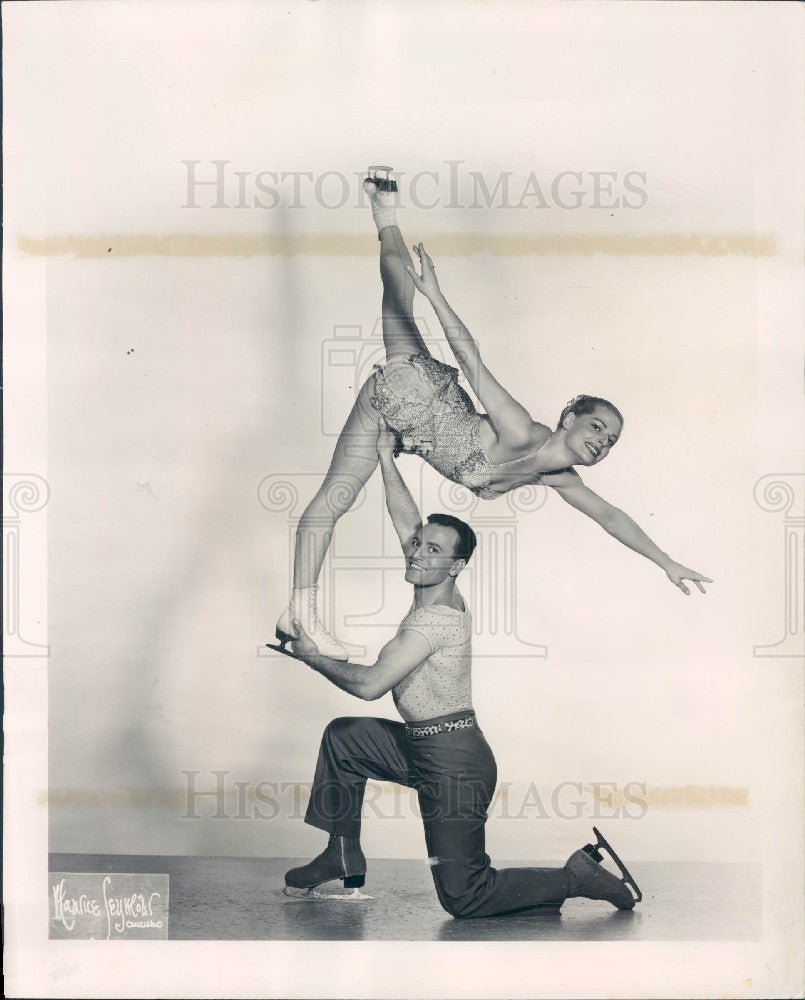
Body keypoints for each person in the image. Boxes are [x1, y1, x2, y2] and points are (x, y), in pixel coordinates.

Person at [274, 166, 711, 659]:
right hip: (407, 393)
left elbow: (611, 517)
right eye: (597, 426)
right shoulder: (523, 429)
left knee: (395, 301)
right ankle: (301, 614)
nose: (602, 442)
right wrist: (435, 294)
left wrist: (667, 562)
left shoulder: (558, 477)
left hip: (420, 415)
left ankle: (383, 209)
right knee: (338, 494)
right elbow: (470, 360)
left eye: (610, 441)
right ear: (570, 418)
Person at [280, 420, 642, 917]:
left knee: (465, 897)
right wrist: (386, 459)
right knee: (345, 739)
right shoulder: (433, 579)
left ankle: (577, 875)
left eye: (432, 550)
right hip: (420, 745)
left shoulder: (437, 622)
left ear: (454, 566)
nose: (416, 552)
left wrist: (312, 656)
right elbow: (405, 517)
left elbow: (369, 686)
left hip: (456, 766)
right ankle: (339, 852)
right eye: (417, 544)